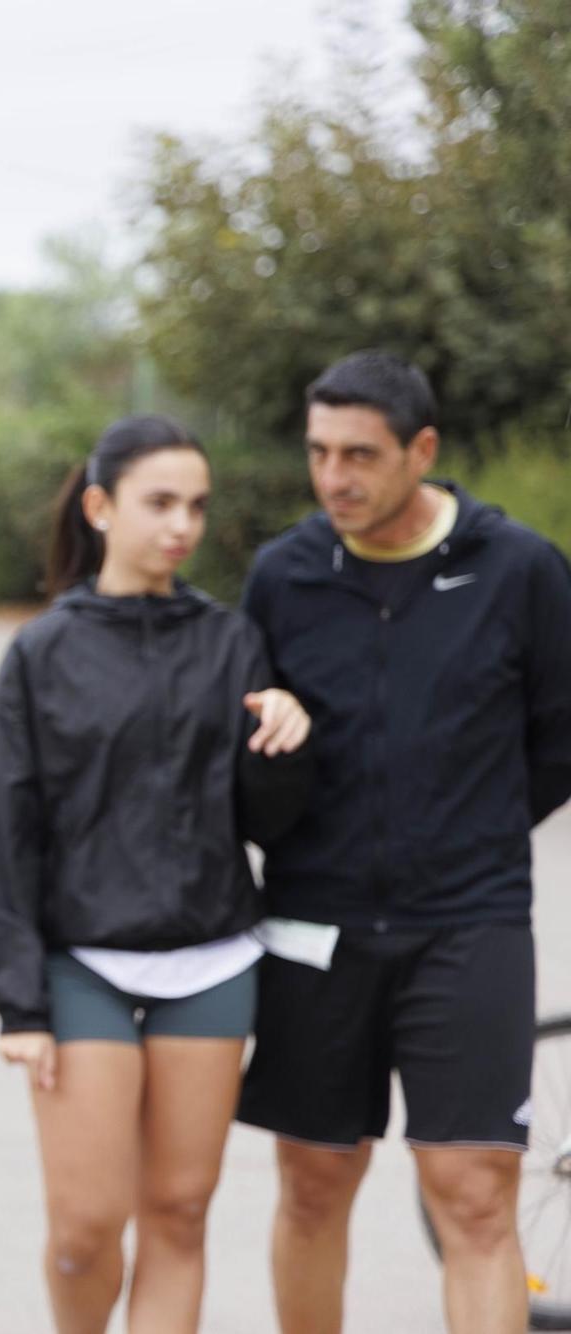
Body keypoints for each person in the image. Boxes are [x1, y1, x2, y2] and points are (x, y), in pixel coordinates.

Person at [237, 351, 571, 1334]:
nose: (332, 476)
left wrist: (462, 825)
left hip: (465, 921)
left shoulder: (518, 569)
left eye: (359, 454)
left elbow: (558, 738)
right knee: (310, 1183)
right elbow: (249, 742)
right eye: (317, 452)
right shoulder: (282, 574)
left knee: (471, 1193)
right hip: (312, 920)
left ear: (419, 450)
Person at [0, 415, 315, 1334]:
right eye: (160, 502)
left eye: (197, 506)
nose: (183, 525)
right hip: (82, 964)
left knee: (180, 1212)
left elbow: (268, 824)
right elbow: (7, 840)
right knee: (86, 1230)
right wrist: (21, 1002)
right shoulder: (43, 652)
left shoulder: (230, 641)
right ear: (100, 506)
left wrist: (283, 741)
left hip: (212, 961)